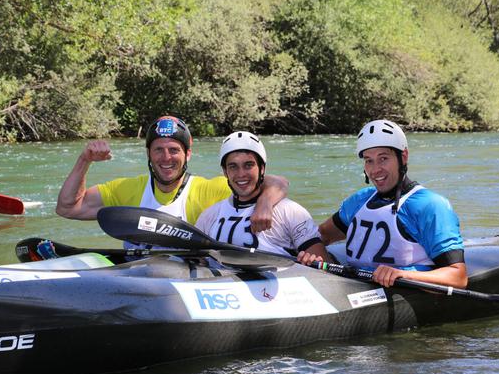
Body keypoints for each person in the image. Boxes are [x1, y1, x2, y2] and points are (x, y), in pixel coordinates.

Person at [56, 116, 289, 240]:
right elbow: (67, 208)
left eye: (174, 150)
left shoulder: (210, 189)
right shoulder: (127, 189)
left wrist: (265, 203)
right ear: (148, 153)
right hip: (136, 275)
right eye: (158, 150)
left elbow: (277, 182)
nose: (166, 158)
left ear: (187, 153)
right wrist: (84, 160)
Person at [298, 119, 467, 288]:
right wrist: (312, 256)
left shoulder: (429, 205)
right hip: (355, 286)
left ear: (403, 157)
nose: (375, 169)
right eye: (368, 160)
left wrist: (402, 274)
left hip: (405, 289)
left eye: (383, 158)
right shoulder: (359, 200)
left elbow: (457, 277)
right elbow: (322, 236)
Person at [196, 131, 330, 260]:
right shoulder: (209, 216)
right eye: (233, 166)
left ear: (262, 169)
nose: (241, 174)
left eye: (248, 165)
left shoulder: (291, 212)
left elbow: (324, 266)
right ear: (225, 172)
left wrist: (310, 262)